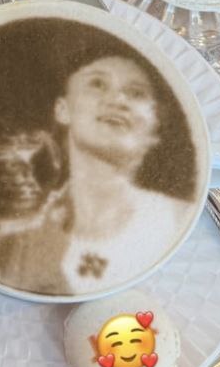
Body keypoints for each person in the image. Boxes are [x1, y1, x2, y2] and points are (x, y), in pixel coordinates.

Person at [47, 51, 196, 294]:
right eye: (97, 84)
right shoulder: (23, 229)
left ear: (156, 124)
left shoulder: (179, 221)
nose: (118, 100)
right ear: (62, 109)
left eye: (136, 93)